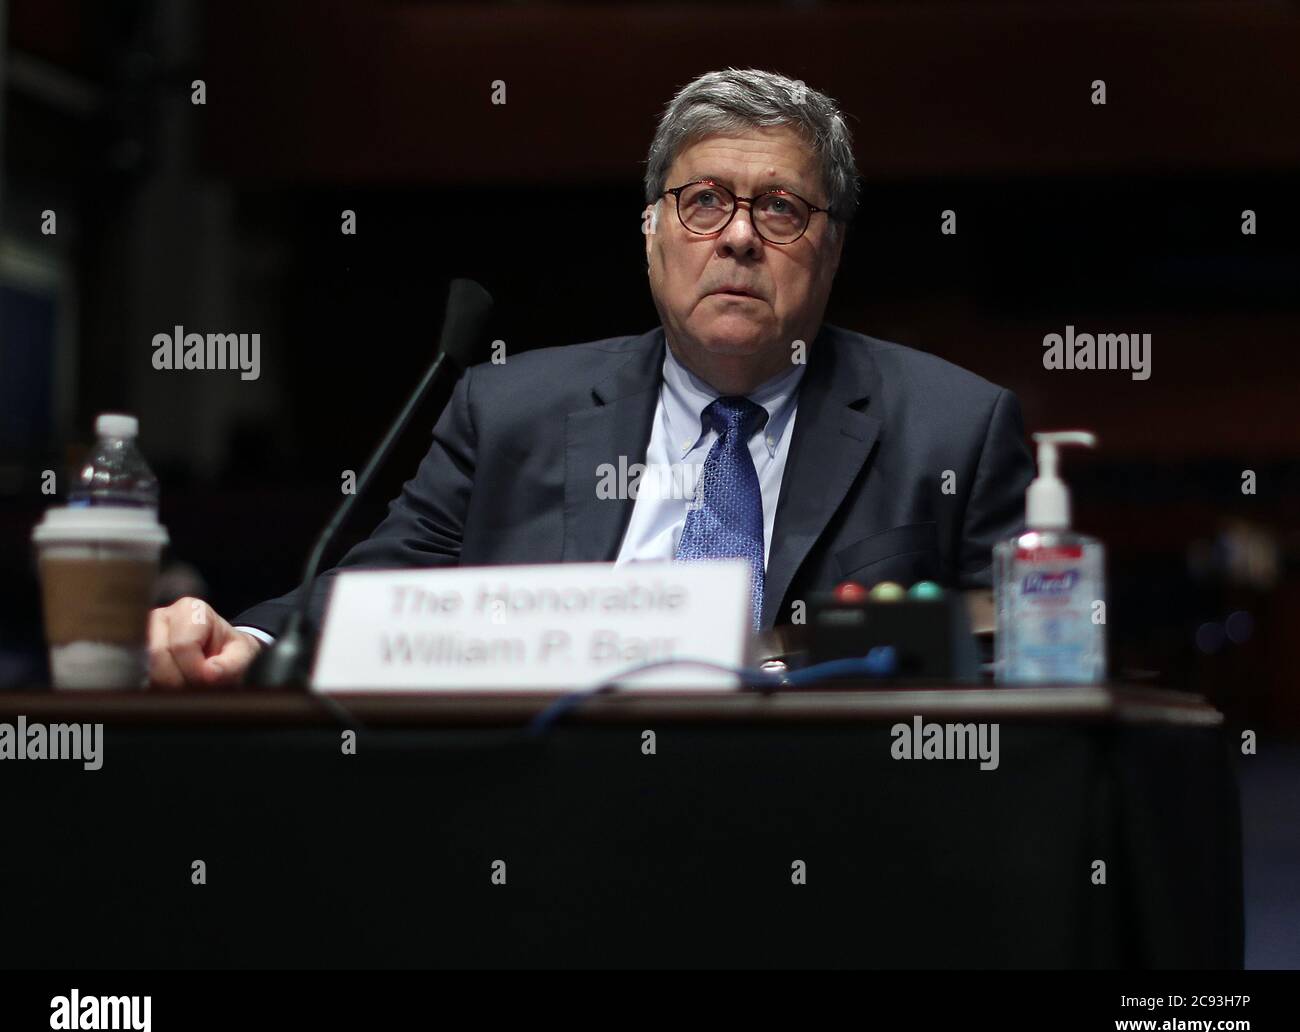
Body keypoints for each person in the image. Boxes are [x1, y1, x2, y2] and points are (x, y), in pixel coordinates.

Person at [148, 67, 1033, 688]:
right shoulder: (508, 412)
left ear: (831, 249)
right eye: (703, 202)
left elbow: (1020, 668)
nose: (736, 237)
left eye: (781, 209)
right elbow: (385, 589)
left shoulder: (956, 427)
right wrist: (253, 638)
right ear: (651, 235)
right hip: (552, 805)